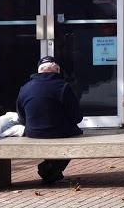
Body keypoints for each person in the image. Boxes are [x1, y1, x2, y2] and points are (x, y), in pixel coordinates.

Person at [16, 55, 82, 184]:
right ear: (57, 71)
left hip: (32, 133)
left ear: (39, 71)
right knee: (76, 135)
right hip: (60, 132)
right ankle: (51, 168)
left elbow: (22, 117)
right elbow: (77, 117)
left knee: (63, 133)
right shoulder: (63, 87)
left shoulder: (24, 88)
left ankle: (50, 168)